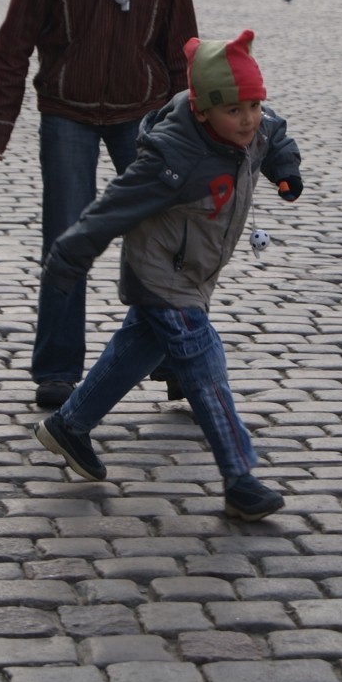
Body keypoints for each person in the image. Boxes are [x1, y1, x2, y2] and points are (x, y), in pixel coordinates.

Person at [34, 29, 303, 520]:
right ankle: (241, 480)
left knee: (138, 347)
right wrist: (68, 258)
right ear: (202, 111)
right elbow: (112, 208)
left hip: (195, 272)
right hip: (162, 275)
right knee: (205, 366)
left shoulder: (255, 125)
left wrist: (285, 170)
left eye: (253, 107)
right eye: (234, 111)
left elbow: (275, 132)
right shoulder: (172, 156)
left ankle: (70, 426)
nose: (248, 121)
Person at [0, 0, 197, 409]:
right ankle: (55, 368)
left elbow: (183, 44)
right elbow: (15, 36)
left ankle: (178, 361)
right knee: (67, 239)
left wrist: (190, 126)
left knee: (164, 240)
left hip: (144, 114)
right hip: (68, 112)